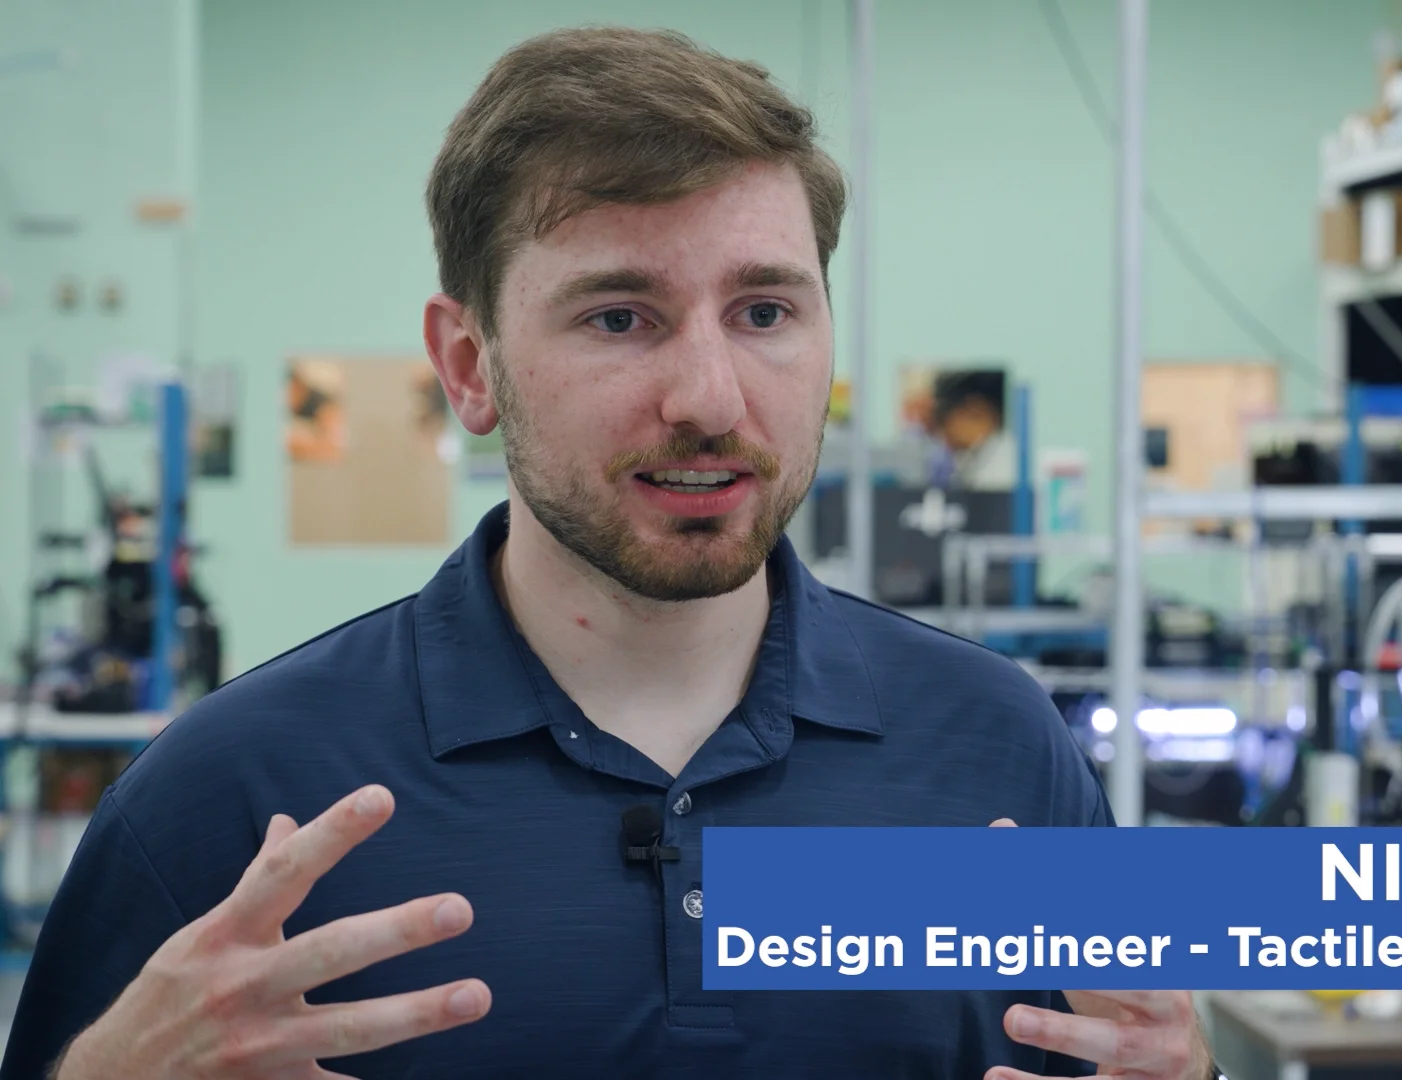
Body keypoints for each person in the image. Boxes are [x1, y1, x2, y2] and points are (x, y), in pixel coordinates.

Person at [1, 27, 1213, 1080]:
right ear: (469, 365)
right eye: (620, 317)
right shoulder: (235, 798)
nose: (710, 398)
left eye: (765, 312)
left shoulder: (996, 751)